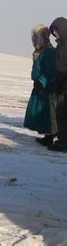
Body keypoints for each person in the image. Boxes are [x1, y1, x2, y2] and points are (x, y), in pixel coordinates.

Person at [23, 24, 57, 146]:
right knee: (40, 112)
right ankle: (47, 134)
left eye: (35, 37)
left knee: (47, 113)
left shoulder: (48, 52)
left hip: (46, 88)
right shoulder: (40, 51)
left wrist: (42, 81)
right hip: (40, 87)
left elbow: (51, 70)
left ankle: (50, 135)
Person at [48, 17, 67, 151]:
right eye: (53, 32)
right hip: (61, 82)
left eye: (56, 31)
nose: (55, 34)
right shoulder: (61, 44)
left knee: (61, 113)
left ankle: (63, 143)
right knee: (60, 113)